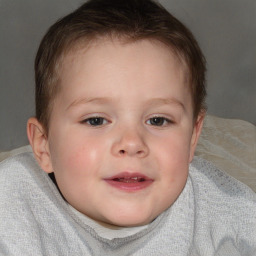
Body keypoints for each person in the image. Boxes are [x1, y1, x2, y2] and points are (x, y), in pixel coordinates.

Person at [0, 0, 255, 255]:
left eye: (158, 120)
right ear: (43, 146)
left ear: (192, 138)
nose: (132, 143)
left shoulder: (231, 214)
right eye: (96, 120)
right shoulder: (11, 206)